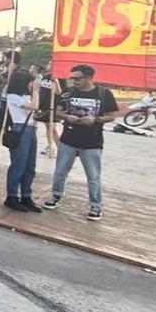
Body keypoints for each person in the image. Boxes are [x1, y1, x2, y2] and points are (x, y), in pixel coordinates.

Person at [45, 64, 120, 221]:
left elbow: (113, 115)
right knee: (60, 171)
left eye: (77, 78)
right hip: (68, 139)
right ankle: (55, 196)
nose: (74, 81)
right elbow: (57, 111)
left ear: (89, 78)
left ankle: (95, 205)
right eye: (72, 78)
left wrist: (96, 119)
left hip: (92, 142)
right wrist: (66, 117)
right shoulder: (68, 92)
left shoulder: (103, 93)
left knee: (93, 176)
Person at [2, 69, 42, 212]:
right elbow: (34, 106)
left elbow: (34, 110)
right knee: (18, 165)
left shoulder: (25, 96)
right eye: (30, 83)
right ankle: (11, 196)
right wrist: (36, 92)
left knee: (30, 166)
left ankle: (26, 195)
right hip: (21, 130)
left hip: (31, 130)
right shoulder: (13, 96)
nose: (32, 86)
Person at [34, 64, 62, 156]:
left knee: (52, 128)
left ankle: (60, 148)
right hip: (44, 106)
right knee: (48, 128)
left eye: (50, 64)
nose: (48, 65)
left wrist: (56, 82)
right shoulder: (45, 77)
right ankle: (50, 146)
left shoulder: (60, 78)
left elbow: (59, 92)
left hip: (53, 106)